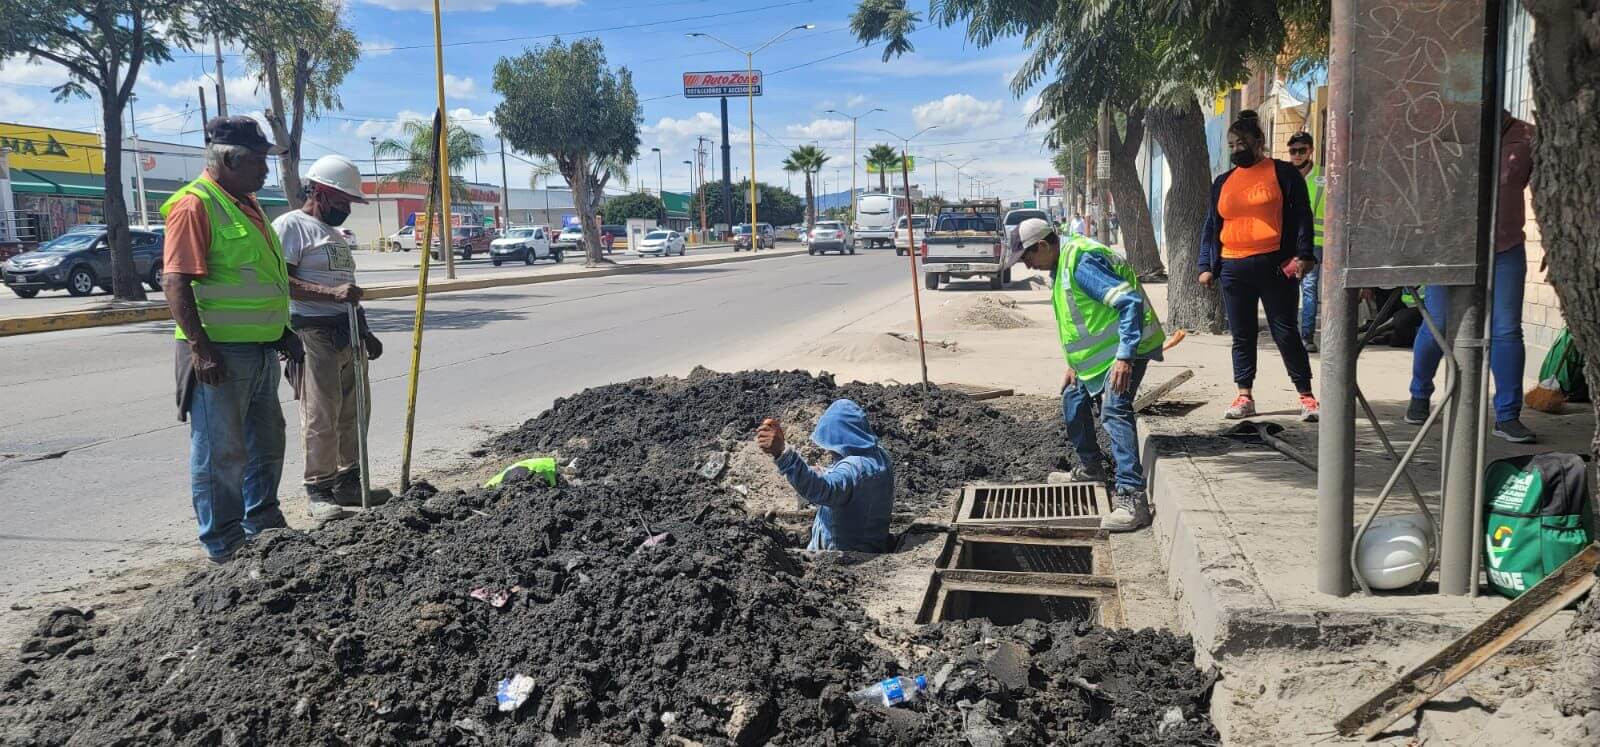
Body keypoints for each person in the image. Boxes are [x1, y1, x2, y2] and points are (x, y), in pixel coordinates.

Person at [161, 117, 294, 563]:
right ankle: (224, 545)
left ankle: (264, 523)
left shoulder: (246, 204)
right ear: (231, 159)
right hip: (219, 353)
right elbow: (176, 281)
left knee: (267, 441)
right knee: (222, 452)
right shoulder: (196, 205)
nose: (265, 171)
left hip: (259, 350)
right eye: (258, 162)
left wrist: (283, 332)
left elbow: (261, 279)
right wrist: (201, 348)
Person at [1010, 218, 1165, 531]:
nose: (1027, 266)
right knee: (1073, 398)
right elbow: (1078, 319)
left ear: (1042, 245)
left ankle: (1133, 499)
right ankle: (1092, 469)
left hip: (1127, 348)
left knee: (1114, 409)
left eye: (1027, 258)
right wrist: (1074, 364)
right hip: (1100, 356)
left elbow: (1129, 303)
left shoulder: (1081, 261)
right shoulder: (1063, 263)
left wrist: (1125, 356)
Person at [1406, 111, 1537, 443]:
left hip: (1505, 247)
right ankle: (1420, 394)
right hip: (1448, 248)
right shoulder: (1444, 131)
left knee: (1507, 329)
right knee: (1438, 323)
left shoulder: (1527, 137)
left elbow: (1541, 189)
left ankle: (1507, 416)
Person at [275, 155, 392, 522]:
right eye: (342, 202)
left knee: (354, 412)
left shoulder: (336, 236)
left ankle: (349, 481)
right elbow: (283, 282)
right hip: (312, 332)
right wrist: (330, 297)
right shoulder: (292, 226)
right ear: (321, 192)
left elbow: (348, 289)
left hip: (348, 331)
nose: (346, 210)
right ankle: (319, 489)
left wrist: (366, 329)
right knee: (321, 413)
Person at [1199, 111, 1320, 422]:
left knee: (1285, 330)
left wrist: (1303, 255)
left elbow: (1303, 215)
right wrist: (1206, 265)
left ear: (1259, 142)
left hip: (1276, 266)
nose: (1236, 149)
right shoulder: (1223, 182)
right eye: (1231, 144)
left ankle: (1306, 396)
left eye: (1242, 143)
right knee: (1242, 334)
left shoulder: (1283, 174)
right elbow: (1212, 225)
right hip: (1232, 268)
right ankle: (1244, 394)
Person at [756, 400, 894, 552]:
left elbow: (822, 489)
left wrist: (781, 453)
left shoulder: (852, 470)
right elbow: (853, 483)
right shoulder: (880, 456)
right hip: (872, 543)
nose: (829, 451)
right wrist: (826, 472)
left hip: (843, 555)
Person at [1288, 131, 1326, 352]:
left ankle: (1306, 337)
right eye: (1293, 151)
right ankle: (1290, 334)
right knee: (1289, 289)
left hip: (1315, 243)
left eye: (1302, 150)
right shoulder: (1284, 176)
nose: (1298, 155)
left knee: (1309, 288)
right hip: (1287, 243)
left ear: (1311, 150)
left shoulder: (1324, 177)